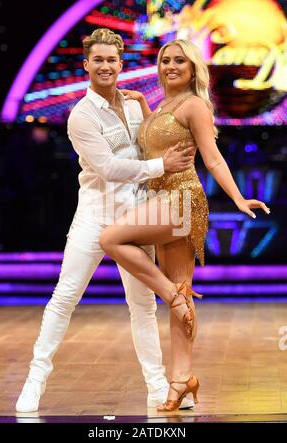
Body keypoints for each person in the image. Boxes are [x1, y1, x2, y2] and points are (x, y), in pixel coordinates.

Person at [15, 29, 196, 413]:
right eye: (98, 60)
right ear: (86, 65)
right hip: (94, 218)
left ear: (120, 64)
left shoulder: (132, 104)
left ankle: (156, 388)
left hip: (134, 220)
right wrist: (160, 165)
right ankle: (34, 382)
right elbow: (110, 168)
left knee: (142, 307)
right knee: (64, 299)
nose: (106, 66)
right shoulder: (80, 116)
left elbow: (147, 142)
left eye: (112, 60)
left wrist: (147, 111)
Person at [99, 38, 271, 411]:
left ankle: (172, 295)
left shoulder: (194, 105)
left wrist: (238, 197)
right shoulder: (163, 105)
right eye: (165, 60)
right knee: (182, 291)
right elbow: (154, 144)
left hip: (181, 200)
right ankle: (182, 379)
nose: (171, 65)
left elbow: (214, 159)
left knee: (111, 238)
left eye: (179, 60)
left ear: (194, 69)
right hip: (162, 199)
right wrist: (145, 107)